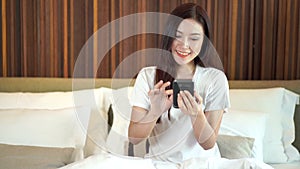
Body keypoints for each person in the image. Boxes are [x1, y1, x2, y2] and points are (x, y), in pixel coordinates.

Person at [128, 3, 230, 163]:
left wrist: (196, 115)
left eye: (194, 38)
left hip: (202, 164)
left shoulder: (215, 79)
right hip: (159, 165)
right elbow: (134, 138)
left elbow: (208, 143)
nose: (184, 45)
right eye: (178, 35)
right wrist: (155, 111)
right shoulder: (148, 76)